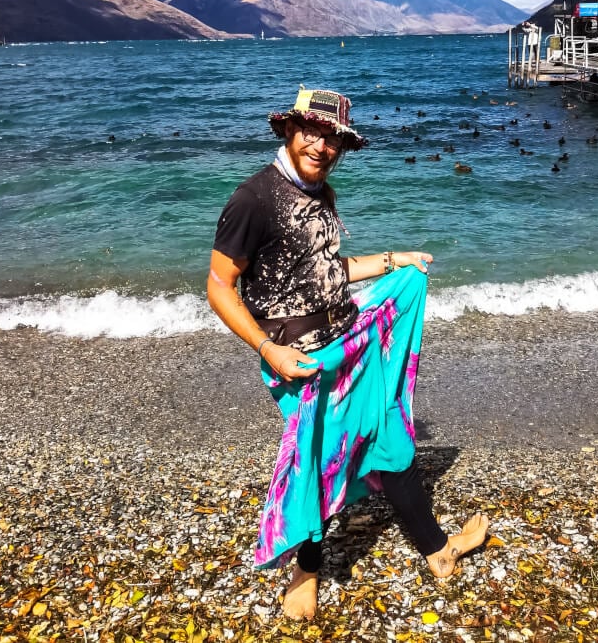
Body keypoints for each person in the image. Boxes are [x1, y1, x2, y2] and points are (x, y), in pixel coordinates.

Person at [207, 86, 488, 620]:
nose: (320, 145)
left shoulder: (322, 194)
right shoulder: (253, 199)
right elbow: (219, 286)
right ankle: (305, 572)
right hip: (302, 360)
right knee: (321, 460)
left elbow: (329, 270)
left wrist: (392, 260)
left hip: (349, 339)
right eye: (311, 131)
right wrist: (270, 350)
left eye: (332, 137)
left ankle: (437, 552)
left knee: (390, 440)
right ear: (290, 131)